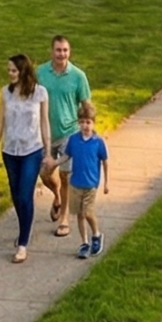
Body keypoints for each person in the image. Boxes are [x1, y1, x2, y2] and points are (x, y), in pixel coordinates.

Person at [35, 34, 92, 239]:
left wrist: (90, 130)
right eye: (58, 50)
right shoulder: (40, 73)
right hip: (45, 133)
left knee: (66, 176)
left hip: (70, 132)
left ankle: (64, 218)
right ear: (52, 51)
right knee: (45, 173)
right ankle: (57, 196)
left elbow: (86, 104)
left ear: (70, 52)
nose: (62, 54)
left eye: (65, 50)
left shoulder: (78, 76)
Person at [0, 54, 50, 263]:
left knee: (25, 194)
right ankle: (23, 228)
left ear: (23, 71)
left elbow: (44, 123)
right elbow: (0, 121)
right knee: (16, 195)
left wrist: (48, 151)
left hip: (32, 149)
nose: (10, 74)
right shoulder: (5, 93)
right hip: (10, 150)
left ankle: (23, 243)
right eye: (9, 70)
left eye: (13, 70)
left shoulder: (39, 93)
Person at [64, 100, 110, 259]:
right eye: (82, 122)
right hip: (76, 183)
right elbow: (66, 155)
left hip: (91, 183)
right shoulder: (73, 140)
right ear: (78, 122)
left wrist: (106, 183)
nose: (85, 125)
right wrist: (53, 163)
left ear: (93, 123)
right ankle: (84, 243)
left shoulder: (98, 142)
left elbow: (104, 161)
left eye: (88, 122)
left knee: (88, 212)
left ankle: (96, 234)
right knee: (79, 214)